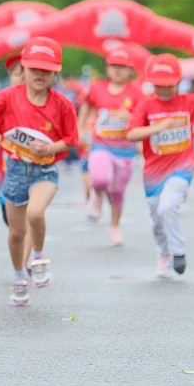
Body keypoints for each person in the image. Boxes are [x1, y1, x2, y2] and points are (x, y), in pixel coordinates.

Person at [0, 37, 77, 307]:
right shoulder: (9, 96)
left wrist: (50, 148)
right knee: (16, 233)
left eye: (47, 69)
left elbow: (71, 139)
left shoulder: (63, 104)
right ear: (25, 69)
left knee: (35, 212)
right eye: (34, 69)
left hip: (45, 170)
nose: (40, 75)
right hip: (15, 170)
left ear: (56, 71)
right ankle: (19, 276)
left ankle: (39, 260)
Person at [126, 54, 194, 278]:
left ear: (178, 82)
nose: (164, 90)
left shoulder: (189, 102)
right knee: (155, 218)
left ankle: (179, 252)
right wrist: (157, 128)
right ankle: (163, 253)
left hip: (182, 167)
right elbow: (132, 133)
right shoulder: (146, 106)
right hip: (154, 173)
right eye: (159, 85)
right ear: (151, 83)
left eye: (169, 85)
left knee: (168, 207)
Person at [78, 46, 143, 245]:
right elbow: (86, 106)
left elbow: (143, 119)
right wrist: (80, 129)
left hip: (125, 151)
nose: (117, 70)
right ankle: (96, 195)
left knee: (117, 192)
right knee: (99, 180)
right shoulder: (97, 88)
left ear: (130, 70)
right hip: (101, 145)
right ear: (107, 68)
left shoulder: (136, 93)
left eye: (122, 67)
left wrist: (130, 117)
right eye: (114, 66)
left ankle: (114, 228)